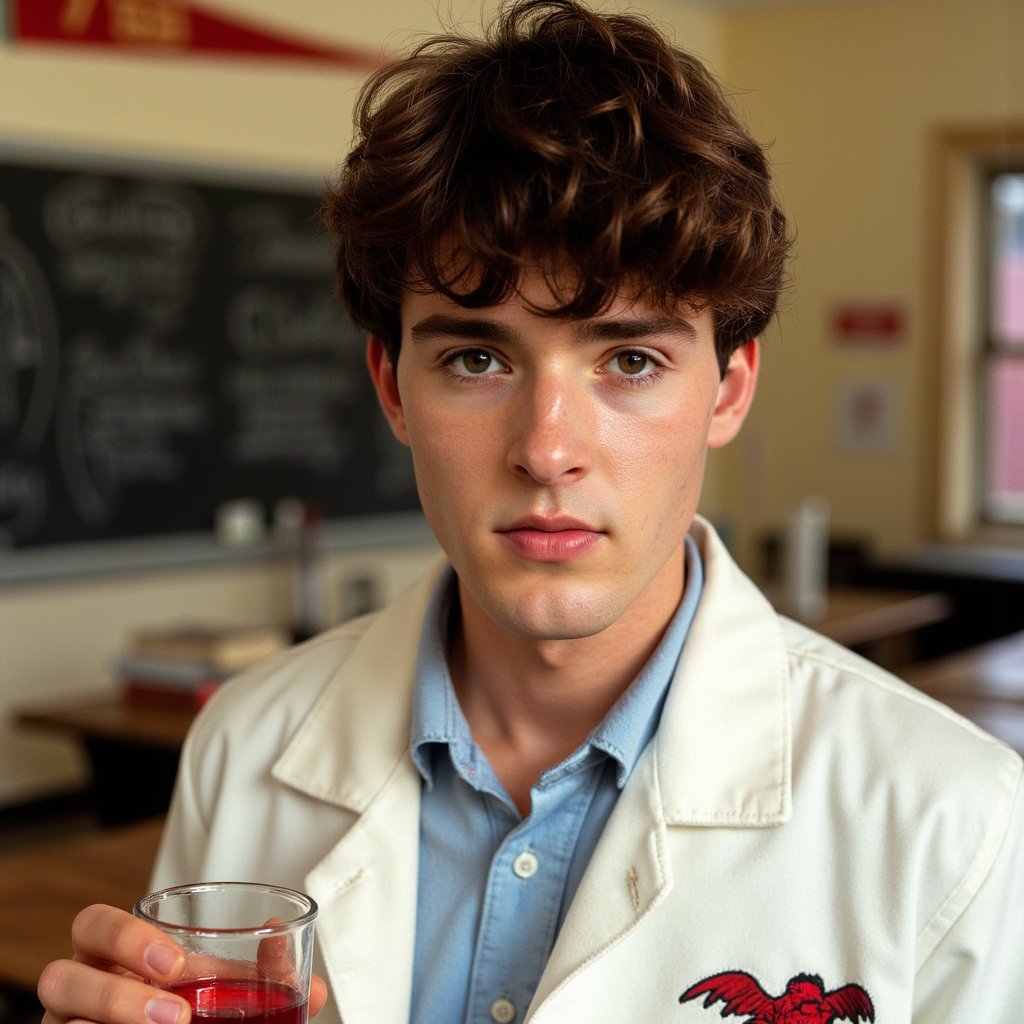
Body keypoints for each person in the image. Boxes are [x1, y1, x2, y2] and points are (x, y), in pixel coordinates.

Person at [38, 1, 1024, 1022]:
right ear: (391, 385)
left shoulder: (955, 818)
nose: (547, 448)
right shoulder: (241, 747)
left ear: (728, 390)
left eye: (630, 360)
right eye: (476, 358)